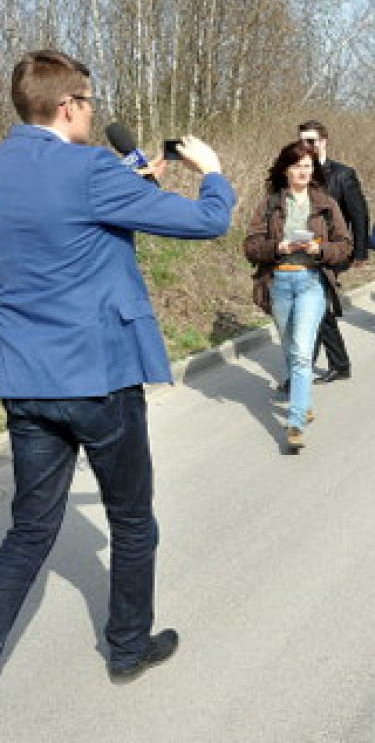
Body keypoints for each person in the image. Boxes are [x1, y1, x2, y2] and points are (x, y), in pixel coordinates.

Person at [0, 50, 235, 680]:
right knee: (132, 519)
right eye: (91, 102)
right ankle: (129, 647)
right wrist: (210, 170)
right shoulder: (90, 169)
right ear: (70, 104)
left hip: (23, 379)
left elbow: (59, 231)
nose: (94, 112)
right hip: (97, 378)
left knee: (28, 532)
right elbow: (210, 221)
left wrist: (128, 187)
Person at [244, 142, 353, 452]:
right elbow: (250, 245)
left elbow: (345, 245)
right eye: (296, 166)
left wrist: (322, 249)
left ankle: (295, 423)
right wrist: (278, 248)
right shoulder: (269, 205)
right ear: (285, 171)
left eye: (307, 166)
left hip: (312, 283)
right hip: (279, 281)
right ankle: (303, 403)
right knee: (291, 348)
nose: (303, 171)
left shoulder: (326, 204)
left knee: (303, 351)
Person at [297, 120, 369, 385]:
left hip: (331, 252)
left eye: (312, 141)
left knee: (313, 308)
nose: (307, 146)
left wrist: (360, 252)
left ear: (324, 141)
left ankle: (300, 375)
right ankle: (339, 364)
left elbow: (359, 215)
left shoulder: (342, 174)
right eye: (302, 141)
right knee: (317, 311)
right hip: (300, 250)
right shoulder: (296, 172)